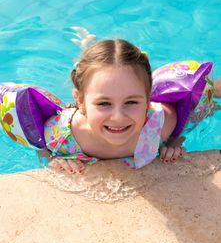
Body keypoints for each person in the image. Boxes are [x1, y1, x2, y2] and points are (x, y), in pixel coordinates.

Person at [44, 39, 186, 174]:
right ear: (81, 102)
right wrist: (53, 159)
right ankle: (87, 41)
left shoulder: (161, 124)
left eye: (131, 102)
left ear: (148, 101)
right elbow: (41, 148)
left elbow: (181, 117)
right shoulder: (62, 136)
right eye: (104, 103)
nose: (118, 117)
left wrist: (173, 143)